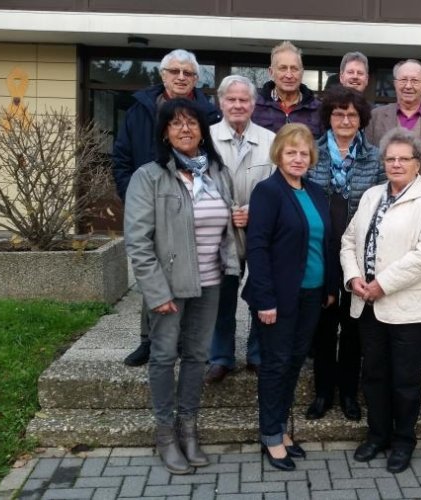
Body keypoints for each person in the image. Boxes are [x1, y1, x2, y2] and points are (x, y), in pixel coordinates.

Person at [124, 98, 239, 474]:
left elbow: (227, 225)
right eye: (176, 124)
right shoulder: (149, 176)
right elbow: (138, 242)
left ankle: (188, 430)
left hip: (210, 282)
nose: (186, 129)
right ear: (164, 132)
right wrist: (156, 292)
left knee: (196, 357)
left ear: (203, 130)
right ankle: (165, 435)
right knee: (162, 357)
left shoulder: (217, 172)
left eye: (192, 122)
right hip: (169, 287)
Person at [340, 128, 421, 474]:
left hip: (411, 310)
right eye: (391, 158)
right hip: (368, 303)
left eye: (404, 159)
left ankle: (403, 441)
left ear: (418, 164)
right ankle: (377, 435)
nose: (397, 164)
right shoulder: (372, 195)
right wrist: (353, 276)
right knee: (373, 374)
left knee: (404, 379)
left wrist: (381, 284)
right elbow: (348, 240)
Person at [113, 48, 222, 367]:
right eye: (174, 71)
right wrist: (135, 197)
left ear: (196, 79)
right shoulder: (140, 109)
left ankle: (189, 341)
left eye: (187, 73)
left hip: (193, 202)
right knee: (152, 272)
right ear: (162, 75)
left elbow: (214, 158)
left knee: (194, 273)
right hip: (151, 202)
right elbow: (120, 159)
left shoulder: (210, 113)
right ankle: (150, 340)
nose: (180, 77)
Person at [241, 123, 339, 471]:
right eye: (290, 152)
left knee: (295, 362)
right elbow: (257, 246)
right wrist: (265, 299)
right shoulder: (268, 192)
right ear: (278, 154)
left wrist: (329, 288)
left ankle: (280, 429)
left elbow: (324, 243)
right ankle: (270, 434)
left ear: (311, 157)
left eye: (303, 153)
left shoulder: (314, 191)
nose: (298, 158)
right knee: (276, 365)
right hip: (278, 298)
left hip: (312, 295)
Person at [304, 87, 386, 422]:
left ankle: (350, 394)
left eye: (352, 114)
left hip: (358, 254)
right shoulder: (311, 153)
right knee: (323, 328)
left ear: (361, 119)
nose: (345, 119)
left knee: (353, 329)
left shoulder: (375, 156)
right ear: (328, 117)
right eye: (338, 113)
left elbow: (383, 203)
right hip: (321, 253)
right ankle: (324, 393)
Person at [204, 75, 277, 383]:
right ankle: (220, 356)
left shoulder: (270, 140)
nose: (237, 105)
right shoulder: (204, 138)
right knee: (222, 296)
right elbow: (199, 185)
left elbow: (278, 185)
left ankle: (258, 354)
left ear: (254, 103)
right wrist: (226, 213)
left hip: (259, 232)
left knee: (261, 293)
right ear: (220, 102)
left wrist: (255, 212)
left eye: (243, 100)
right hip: (219, 233)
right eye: (231, 99)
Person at [365, 59, 421, 184]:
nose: (408, 86)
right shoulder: (374, 117)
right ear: (395, 84)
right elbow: (367, 165)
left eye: (415, 81)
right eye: (403, 80)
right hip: (384, 198)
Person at [252, 41, 323, 137]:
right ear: (271, 72)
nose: (289, 75)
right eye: (283, 68)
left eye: (294, 69)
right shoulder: (254, 106)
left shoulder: (318, 110)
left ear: (302, 72)